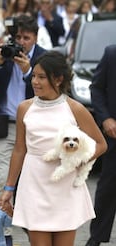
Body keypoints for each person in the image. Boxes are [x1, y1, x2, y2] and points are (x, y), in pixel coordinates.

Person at [0, 51, 107, 245]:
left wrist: (76, 160)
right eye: (33, 76)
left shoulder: (75, 108)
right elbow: (19, 149)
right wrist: (8, 188)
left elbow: (101, 144)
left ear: (58, 79)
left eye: (41, 77)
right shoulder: (24, 107)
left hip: (65, 186)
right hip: (34, 184)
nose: (35, 82)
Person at [0, 14, 46, 245]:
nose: (21, 42)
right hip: (5, 126)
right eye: (17, 37)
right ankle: (3, 236)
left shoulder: (44, 58)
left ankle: (36, 234)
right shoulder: (4, 54)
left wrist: (30, 73)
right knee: (1, 180)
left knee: (31, 185)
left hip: (35, 131)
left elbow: (50, 94)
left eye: (26, 38)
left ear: (35, 38)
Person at [86, 44, 116, 246]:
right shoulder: (112, 53)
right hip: (114, 134)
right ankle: (96, 237)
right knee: (107, 188)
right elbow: (96, 88)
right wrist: (105, 119)